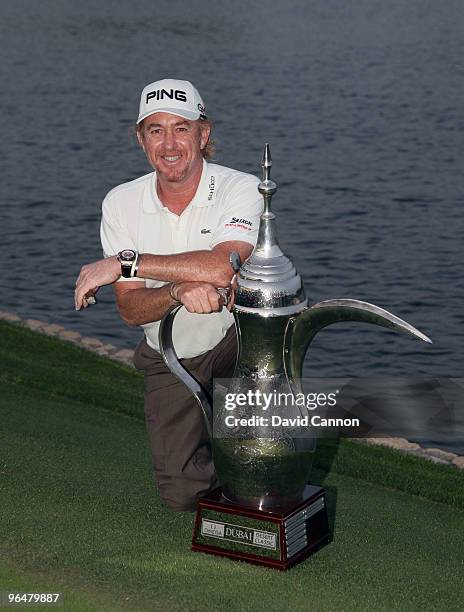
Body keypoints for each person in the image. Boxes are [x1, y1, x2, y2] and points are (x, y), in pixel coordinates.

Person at [74, 78, 263, 511]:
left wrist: (124, 263)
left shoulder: (242, 187)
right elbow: (131, 309)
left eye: (181, 127)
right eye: (156, 130)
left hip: (242, 338)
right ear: (141, 140)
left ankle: (247, 471)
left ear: (204, 134)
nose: (170, 143)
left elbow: (221, 266)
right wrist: (177, 290)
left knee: (262, 462)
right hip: (172, 351)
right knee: (181, 493)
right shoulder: (120, 202)